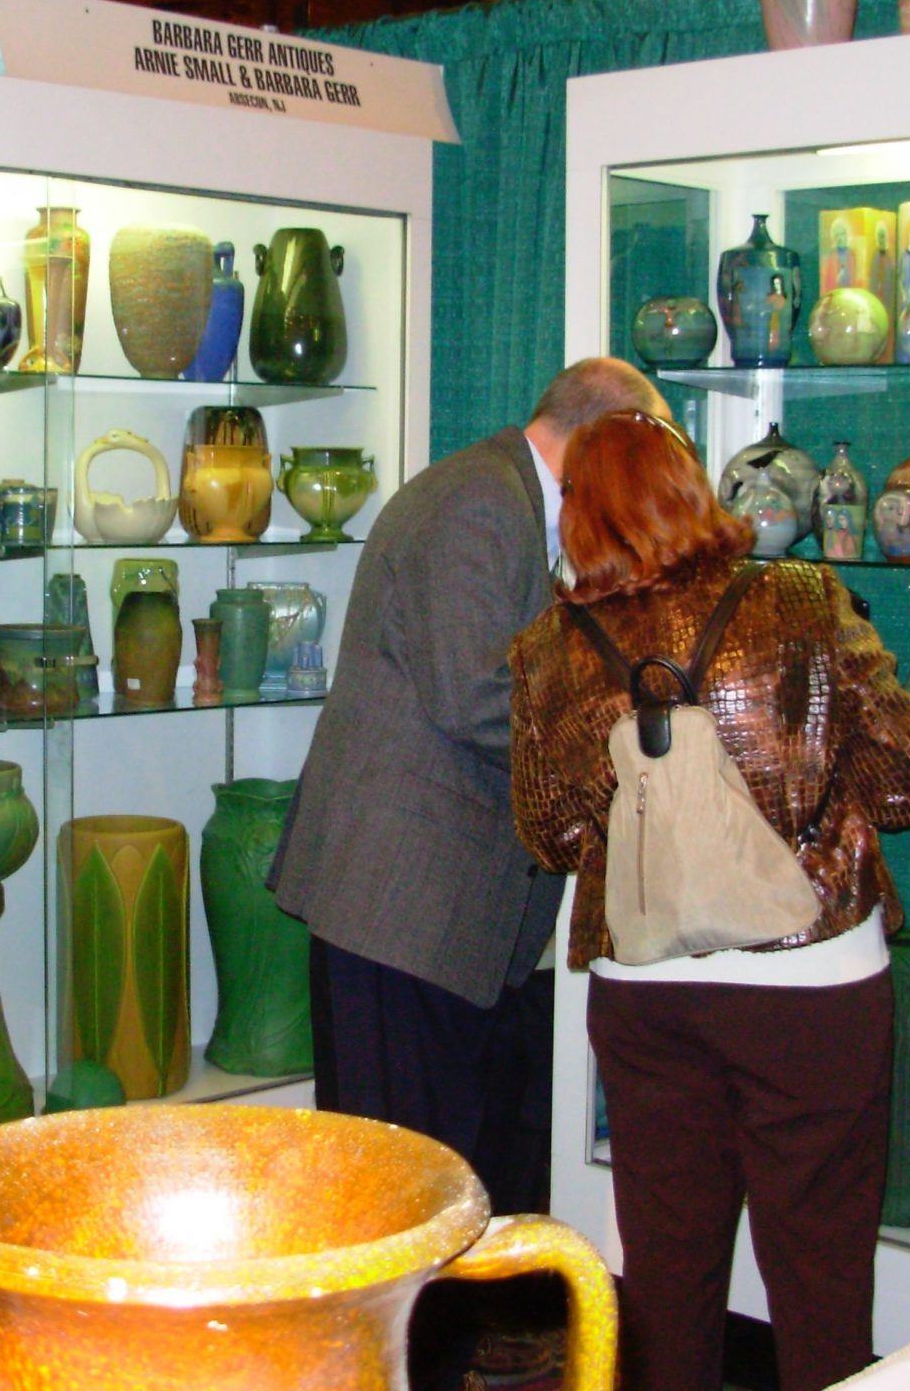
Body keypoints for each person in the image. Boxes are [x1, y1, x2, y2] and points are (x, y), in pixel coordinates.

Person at [507, 410, 910, 1391]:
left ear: (576, 514)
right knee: (822, 1276)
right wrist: (807, 803)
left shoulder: (547, 647)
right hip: (817, 980)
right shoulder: (802, 597)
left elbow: (551, 837)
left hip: (646, 985)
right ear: (691, 489)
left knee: (665, 1280)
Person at [270, 356, 666, 1215]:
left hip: (440, 915)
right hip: (403, 908)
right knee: (399, 1200)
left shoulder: (514, 503)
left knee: (442, 1188)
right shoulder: (481, 500)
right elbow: (476, 696)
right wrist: (628, 763)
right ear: (599, 441)